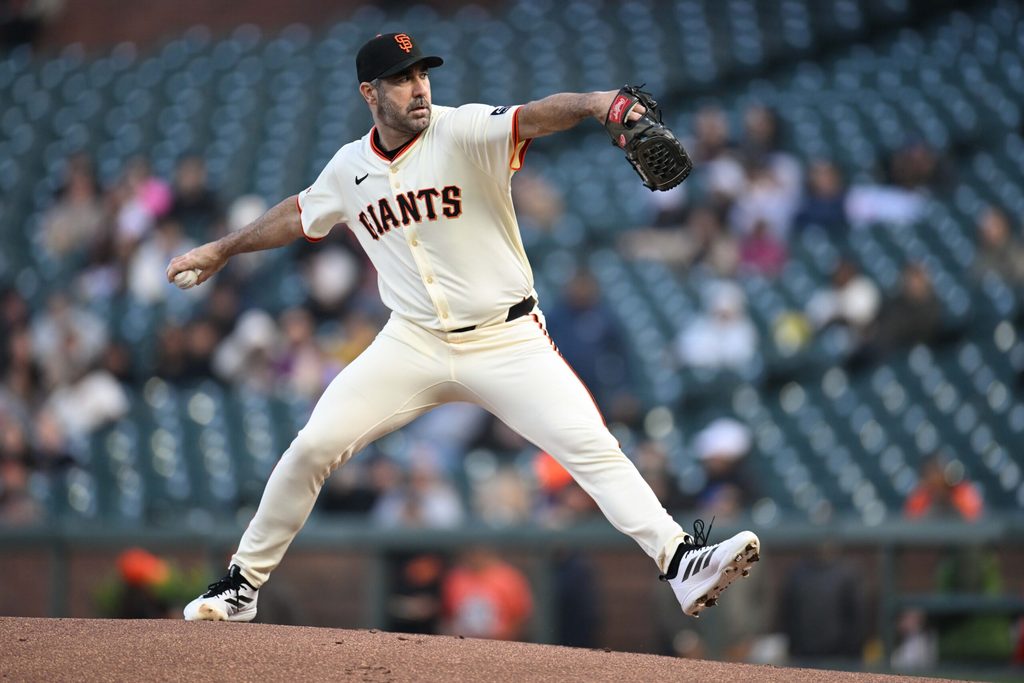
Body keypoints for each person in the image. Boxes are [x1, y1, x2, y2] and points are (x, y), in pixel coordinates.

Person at [169, 32, 759, 624]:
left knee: (590, 445)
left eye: (422, 73)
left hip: (507, 337)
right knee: (312, 447)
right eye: (401, 78)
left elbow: (532, 117)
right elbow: (298, 213)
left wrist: (594, 104)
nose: (418, 86)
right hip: (412, 341)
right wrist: (222, 249)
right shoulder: (350, 168)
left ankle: (680, 561)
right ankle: (241, 585)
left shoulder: (465, 129)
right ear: (369, 93)